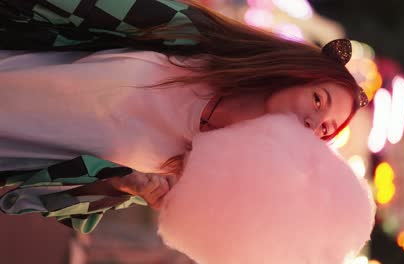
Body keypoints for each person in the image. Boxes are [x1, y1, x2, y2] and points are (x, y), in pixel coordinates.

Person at [0, 0, 369, 233]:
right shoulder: (196, 40)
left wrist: (122, 187)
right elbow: (81, 9)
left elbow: (49, 198)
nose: (312, 121)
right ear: (295, 73)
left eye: (324, 129)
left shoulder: (194, 173)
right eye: (318, 100)